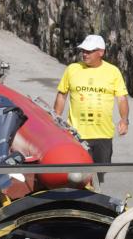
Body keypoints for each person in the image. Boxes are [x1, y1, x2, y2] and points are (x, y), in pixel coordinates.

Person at [53, 34, 128, 171]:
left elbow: (122, 98)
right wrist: (56, 117)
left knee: (99, 176)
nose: (85, 54)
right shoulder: (72, 69)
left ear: (101, 52)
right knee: (77, 176)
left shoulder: (113, 72)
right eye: (83, 51)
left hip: (103, 136)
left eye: (89, 51)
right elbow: (62, 95)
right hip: (76, 135)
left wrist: (124, 120)